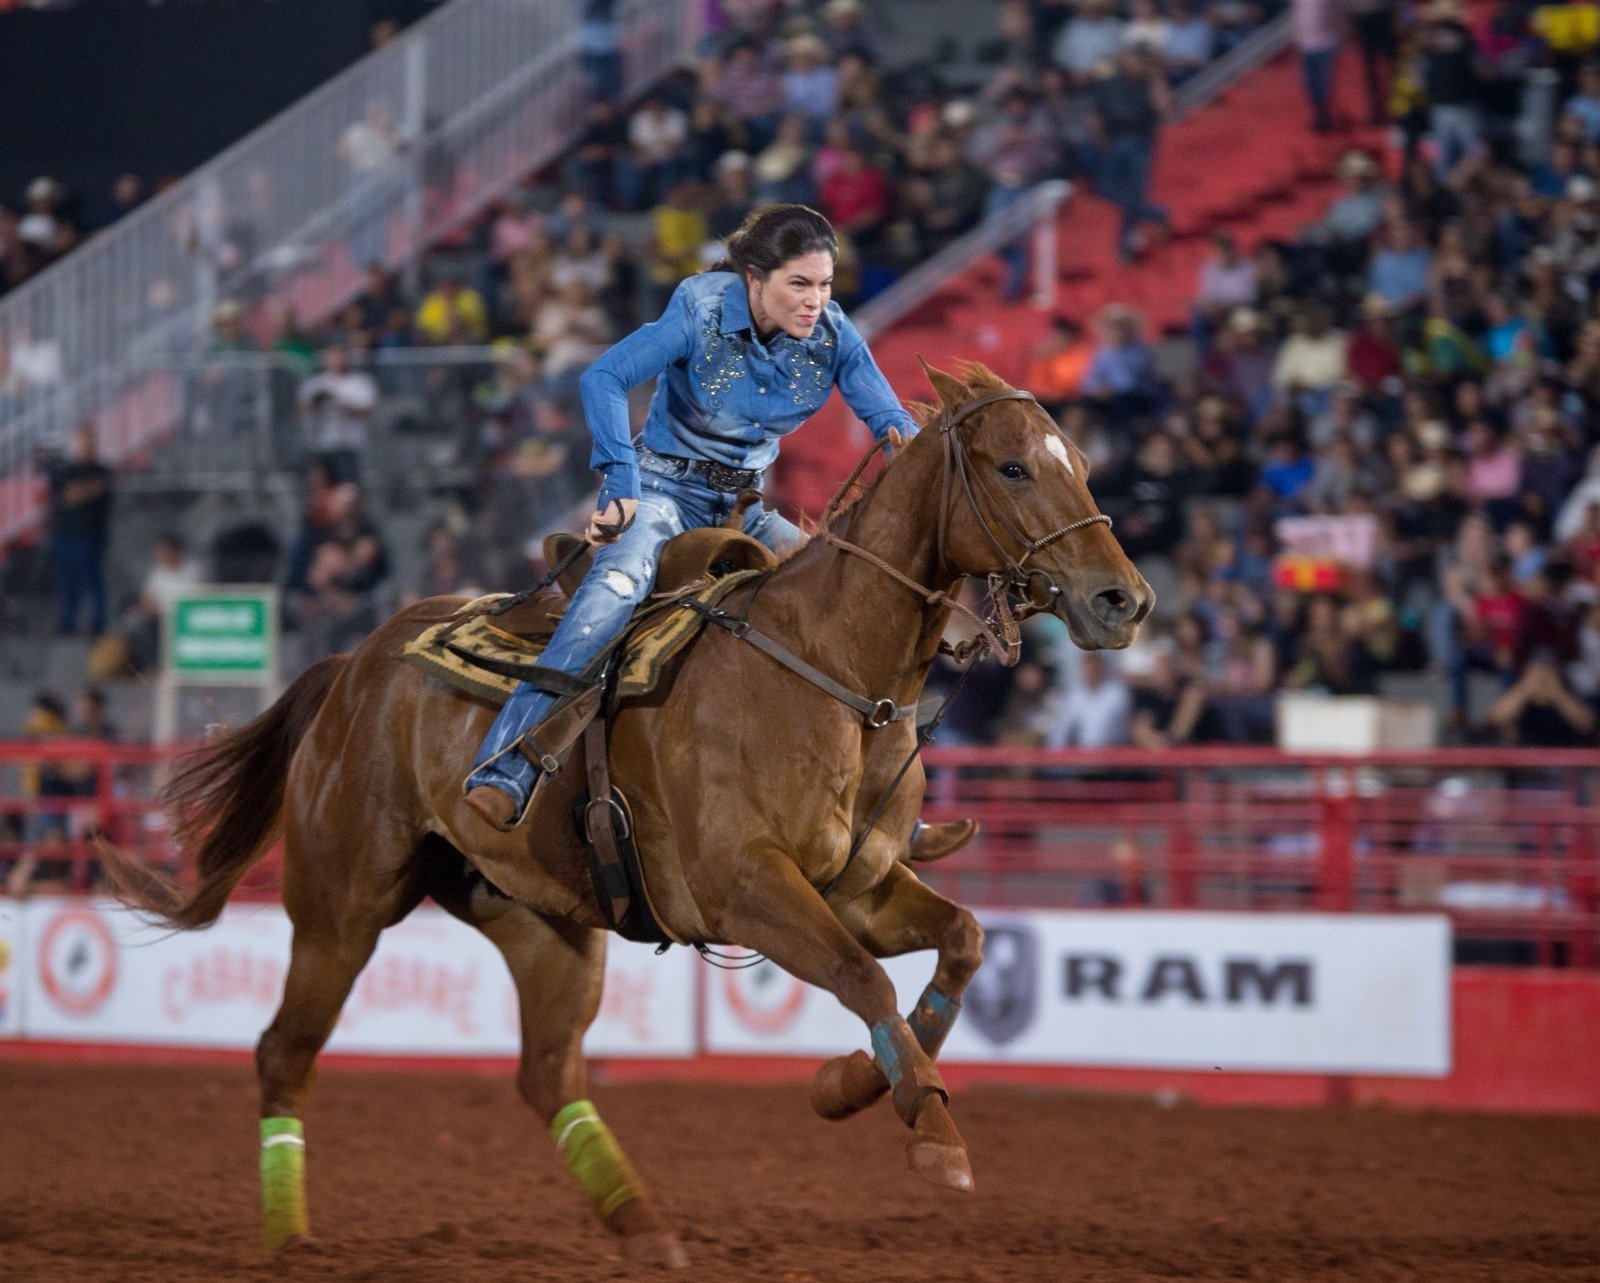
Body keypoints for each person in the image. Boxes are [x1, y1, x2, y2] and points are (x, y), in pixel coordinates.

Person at [464, 204, 977, 863]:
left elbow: (886, 416)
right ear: (754, 278)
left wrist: (902, 443)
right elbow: (605, 375)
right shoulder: (699, 308)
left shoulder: (832, 332)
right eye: (800, 284)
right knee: (612, 592)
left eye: (824, 285)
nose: (815, 301)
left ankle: (891, 810)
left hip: (745, 507)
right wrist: (619, 484)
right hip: (661, 494)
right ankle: (503, 766)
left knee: (863, 603)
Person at [47, 426, 113, 637]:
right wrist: (87, 490)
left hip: (91, 536)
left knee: (93, 581)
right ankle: (67, 624)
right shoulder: (68, 470)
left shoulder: (101, 470)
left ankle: (98, 624)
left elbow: (95, 489)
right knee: (68, 583)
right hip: (66, 534)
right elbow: (65, 495)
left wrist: (79, 492)